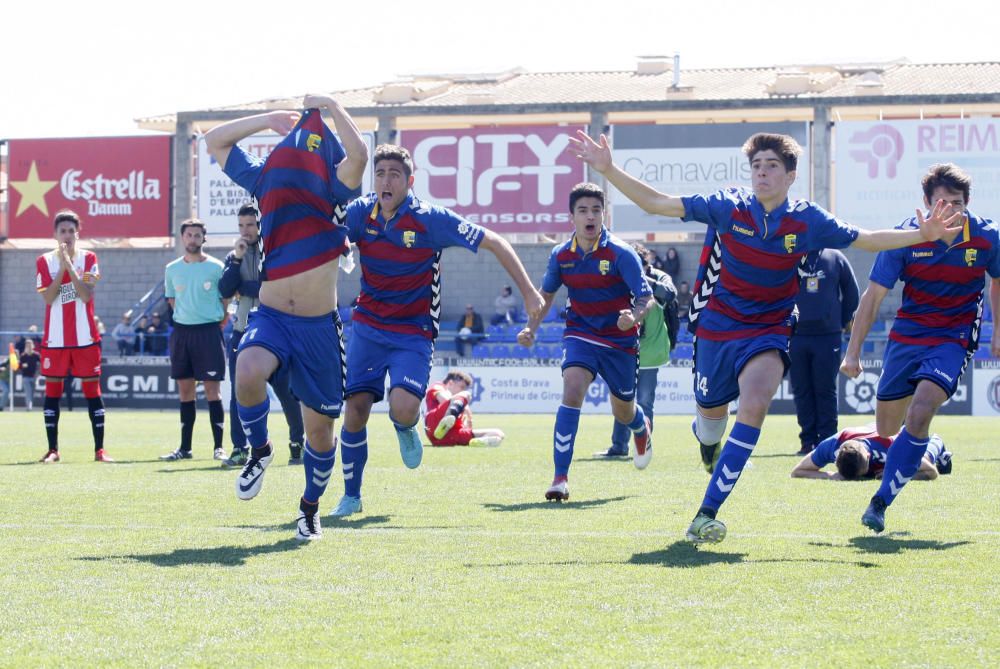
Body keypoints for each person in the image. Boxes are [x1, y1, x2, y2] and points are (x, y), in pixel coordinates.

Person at [570, 130, 963, 543]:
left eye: (772, 165)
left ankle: (706, 513)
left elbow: (867, 239)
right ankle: (708, 445)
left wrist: (923, 235)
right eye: (756, 166)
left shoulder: (808, 219)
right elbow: (658, 204)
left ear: (791, 175)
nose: (762, 173)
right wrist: (608, 169)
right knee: (709, 425)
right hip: (718, 328)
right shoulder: (729, 205)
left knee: (755, 404)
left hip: (770, 328)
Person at [331, 143, 543, 518]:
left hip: (413, 331)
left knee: (403, 408)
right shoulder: (361, 212)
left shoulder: (431, 219)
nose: (386, 180)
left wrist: (530, 294)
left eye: (394, 174)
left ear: (409, 182)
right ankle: (351, 496)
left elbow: (495, 241)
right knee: (356, 409)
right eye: (380, 173)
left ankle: (405, 426)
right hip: (368, 325)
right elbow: (325, 234)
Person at [206, 94, 367, 540]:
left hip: (319, 327)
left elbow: (360, 154)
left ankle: (309, 508)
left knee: (320, 434)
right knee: (247, 366)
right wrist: (267, 119)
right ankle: (260, 450)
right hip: (273, 314)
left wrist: (332, 105)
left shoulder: (336, 188)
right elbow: (214, 141)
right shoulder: (263, 181)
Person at [841, 163, 1000, 533]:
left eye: (957, 203)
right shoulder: (905, 238)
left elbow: (997, 282)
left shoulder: (987, 237)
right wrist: (853, 351)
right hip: (908, 335)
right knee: (886, 426)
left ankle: (880, 502)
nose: (950, 211)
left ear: (968, 203)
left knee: (921, 410)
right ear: (926, 204)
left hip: (954, 336)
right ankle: (917, 445)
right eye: (941, 203)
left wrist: (997, 332)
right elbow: (873, 295)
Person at [517, 182, 654, 501]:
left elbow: (646, 298)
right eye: (583, 210)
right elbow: (546, 296)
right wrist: (530, 328)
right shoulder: (561, 255)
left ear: (604, 214)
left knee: (623, 411)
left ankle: (639, 426)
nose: (590, 216)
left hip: (619, 342)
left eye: (596, 210)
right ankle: (560, 478)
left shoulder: (622, 253)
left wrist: (632, 318)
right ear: (572, 217)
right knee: (573, 386)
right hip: (581, 333)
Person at [218, 202, 306, 468]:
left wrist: (247, 287)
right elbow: (224, 288)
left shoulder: (276, 250)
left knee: (288, 391)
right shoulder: (235, 255)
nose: (245, 231)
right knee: (239, 393)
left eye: (250, 225)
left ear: (261, 225)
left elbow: (274, 284)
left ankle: (297, 443)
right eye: (241, 226)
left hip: (277, 331)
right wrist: (236, 259)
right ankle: (239, 448)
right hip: (242, 330)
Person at [34, 209, 112, 462]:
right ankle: (53, 450)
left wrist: (70, 265)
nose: (67, 236)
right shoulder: (44, 261)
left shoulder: (89, 258)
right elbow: (48, 297)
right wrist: (62, 268)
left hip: (85, 339)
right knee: (52, 394)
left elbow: (86, 294)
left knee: (93, 392)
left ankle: (99, 450)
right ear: (55, 235)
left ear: (77, 233)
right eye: (62, 231)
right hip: (55, 340)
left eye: (71, 231)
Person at [597, 241, 676, 458]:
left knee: (645, 401)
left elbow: (670, 294)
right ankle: (619, 446)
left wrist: (641, 278)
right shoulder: (619, 278)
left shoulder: (659, 278)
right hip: (626, 350)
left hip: (651, 352)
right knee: (623, 399)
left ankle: (643, 448)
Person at [159, 220, 228, 462]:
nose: (193, 239)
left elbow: (225, 301)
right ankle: (185, 448)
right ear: (182, 238)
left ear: (203, 238)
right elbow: (172, 301)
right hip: (182, 334)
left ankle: (219, 447)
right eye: (189, 235)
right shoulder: (172, 269)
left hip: (208, 333)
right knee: (185, 390)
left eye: (197, 235)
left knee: (212, 390)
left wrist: (213, 318)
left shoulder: (217, 267)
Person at [789, 249, 859, 455]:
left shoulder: (835, 258)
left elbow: (851, 291)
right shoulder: (792, 256)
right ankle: (807, 440)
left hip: (827, 335)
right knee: (802, 390)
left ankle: (828, 441)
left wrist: (843, 318)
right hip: (796, 335)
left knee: (825, 389)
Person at [791, 426, 952, 480]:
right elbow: (797, 471)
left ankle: (939, 446)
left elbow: (931, 472)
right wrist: (830, 475)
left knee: (925, 456)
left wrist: (897, 476)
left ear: (869, 456)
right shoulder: (833, 444)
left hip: (907, 436)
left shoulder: (890, 447)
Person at [423, 370, 504, 447]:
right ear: (450, 383)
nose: (462, 390)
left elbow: (467, 427)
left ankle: (477, 442)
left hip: (449, 435)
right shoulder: (439, 386)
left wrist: (467, 421)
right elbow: (445, 399)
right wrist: (464, 406)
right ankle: (445, 423)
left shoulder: (459, 404)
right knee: (467, 394)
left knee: (498, 434)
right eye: (461, 387)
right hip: (435, 425)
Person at [19, 338, 41, 410]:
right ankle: (29, 407)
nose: (28, 347)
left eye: (29, 345)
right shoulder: (23, 356)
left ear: (32, 345)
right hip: (25, 377)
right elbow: (19, 366)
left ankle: (30, 405)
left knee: (32, 393)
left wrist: (38, 374)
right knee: (28, 392)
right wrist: (22, 365)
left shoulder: (36, 355)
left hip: (34, 376)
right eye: (27, 345)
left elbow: (42, 363)